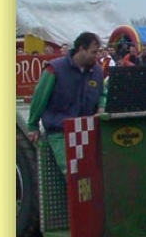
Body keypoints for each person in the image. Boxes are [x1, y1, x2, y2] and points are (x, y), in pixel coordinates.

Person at [26, 32, 104, 173]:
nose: (97, 56)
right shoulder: (54, 69)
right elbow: (40, 97)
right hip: (61, 131)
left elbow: (102, 92)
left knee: (91, 172)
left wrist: (101, 107)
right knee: (73, 172)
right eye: (93, 52)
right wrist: (32, 125)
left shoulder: (97, 70)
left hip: (87, 130)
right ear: (81, 49)